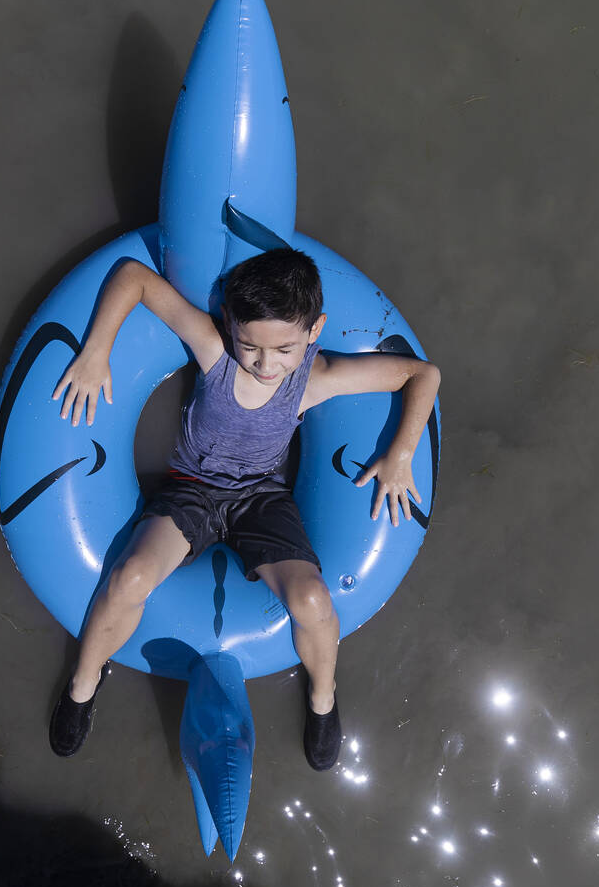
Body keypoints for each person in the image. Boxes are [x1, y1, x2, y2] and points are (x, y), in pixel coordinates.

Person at [48, 249, 440, 770]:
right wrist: (98, 350)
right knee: (131, 576)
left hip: (261, 497)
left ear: (315, 330)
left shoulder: (315, 378)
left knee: (313, 600)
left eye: (283, 349)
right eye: (250, 344)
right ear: (230, 324)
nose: (264, 362)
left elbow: (423, 375)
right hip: (191, 489)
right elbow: (134, 277)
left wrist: (402, 454)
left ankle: (322, 698)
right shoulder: (215, 351)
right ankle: (82, 684)